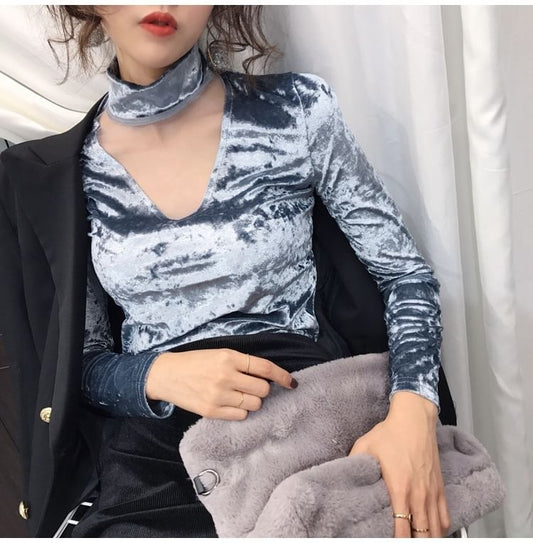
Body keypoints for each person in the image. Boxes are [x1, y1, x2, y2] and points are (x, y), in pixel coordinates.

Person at [0, 5, 451, 538]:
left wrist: (414, 411)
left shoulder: (294, 111)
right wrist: (157, 375)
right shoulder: (62, 175)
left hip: (308, 429)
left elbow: (404, 276)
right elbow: (81, 365)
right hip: (156, 464)